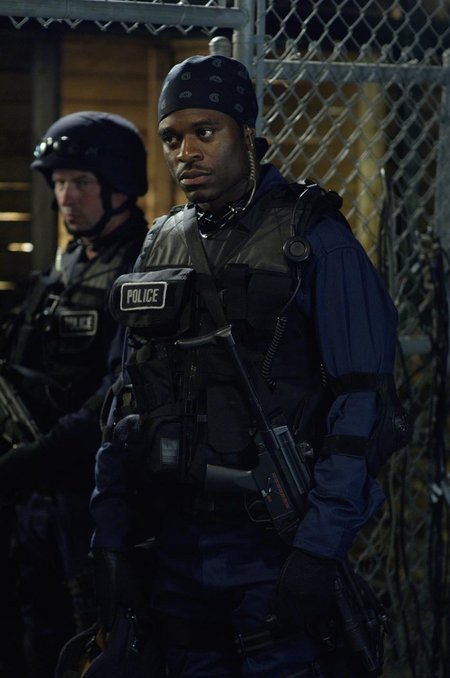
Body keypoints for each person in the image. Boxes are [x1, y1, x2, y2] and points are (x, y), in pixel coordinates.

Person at [89, 56, 401, 677]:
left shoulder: (315, 239)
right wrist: (111, 535)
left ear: (248, 134)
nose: (186, 152)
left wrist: (317, 550)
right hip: (176, 543)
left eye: (206, 132)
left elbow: (362, 406)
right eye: (172, 137)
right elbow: (126, 398)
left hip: (275, 543)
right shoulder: (161, 242)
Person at [0, 111, 149, 678]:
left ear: (119, 187)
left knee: (95, 639)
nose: (66, 196)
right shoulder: (64, 269)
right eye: (59, 182)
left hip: (97, 496)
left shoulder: (142, 267)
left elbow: (125, 388)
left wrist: (43, 455)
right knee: (38, 632)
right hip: (41, 495)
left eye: (81, 182)